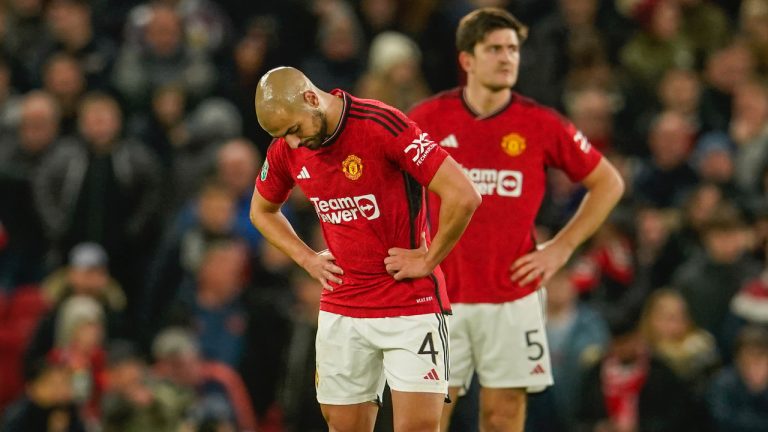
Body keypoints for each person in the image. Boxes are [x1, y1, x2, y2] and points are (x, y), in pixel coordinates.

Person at [408, 7, 625, 431]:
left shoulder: (540, 123)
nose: (507, 57)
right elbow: (383, 180)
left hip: (511, 295)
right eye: (494, 49)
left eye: (512, 49)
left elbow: (609, 183)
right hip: (437, 296)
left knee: (503, 417)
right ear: (467, 59)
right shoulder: (426, 120)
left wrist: (561, 248)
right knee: (426, 420)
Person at [250, 66, 481, 431]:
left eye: (294, 130)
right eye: (282, 136)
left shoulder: (381, 124)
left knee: (417, 427)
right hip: (343, 307)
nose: (292, 143)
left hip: (409, 304)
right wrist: (307, 259)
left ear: (311, 98)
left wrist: (429, 257)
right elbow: (261, 211)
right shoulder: (286, 150)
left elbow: (463, 194)